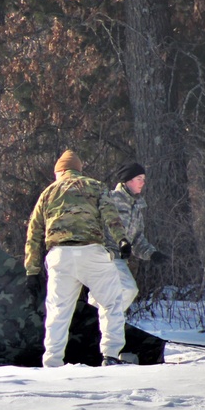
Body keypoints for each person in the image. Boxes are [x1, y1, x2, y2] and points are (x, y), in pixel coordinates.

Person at [24, 150, 132, 367]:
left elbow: (34, 232)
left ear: (60, 171)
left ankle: (52, 361)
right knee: (111, 302)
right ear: (77, 169)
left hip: (60, 256)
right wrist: (122, 240)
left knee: (58, 310)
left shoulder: (48, 192)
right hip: (92, 252)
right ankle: (111, 355)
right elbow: (110, 215)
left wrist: (32, 271)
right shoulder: (96, 186)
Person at [89, 162, 168, 312]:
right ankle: (106, 321)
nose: (143, 183)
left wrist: (152, 254)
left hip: (119, 259)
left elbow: (137, 240)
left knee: (102, 298)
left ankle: (98, 325)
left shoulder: (137, 207)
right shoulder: (110, 199)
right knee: (128, 289)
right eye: (139, 178)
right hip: (104, 255)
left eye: (144, 179)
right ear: (128, 180)